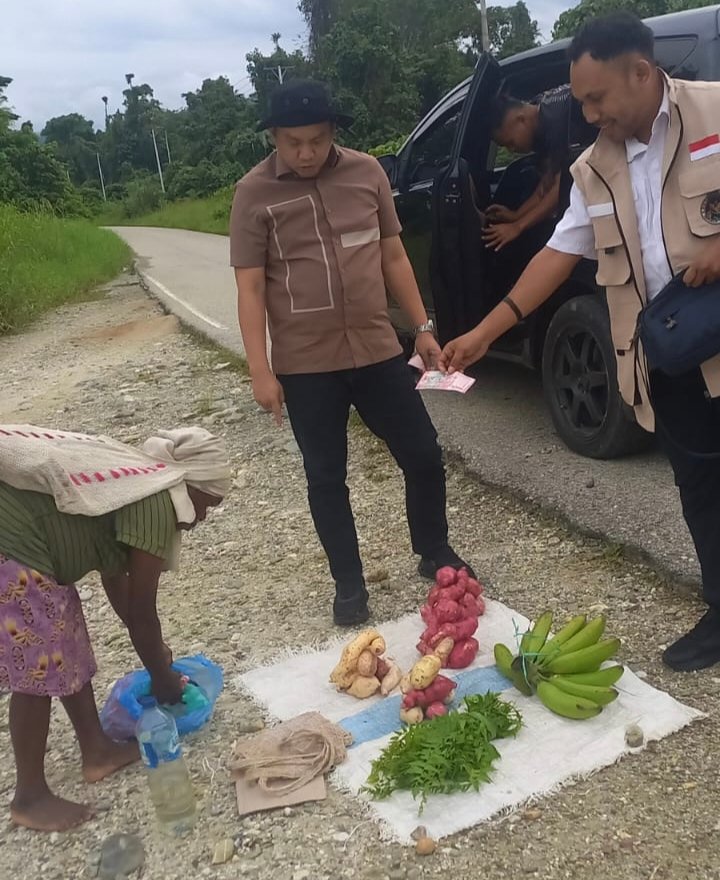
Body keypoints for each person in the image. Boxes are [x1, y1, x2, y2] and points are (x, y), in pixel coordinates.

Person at [440, 12, 720, 672]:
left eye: (597, 99)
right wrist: (482, 333)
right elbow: (557, 255)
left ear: (641, 73)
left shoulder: (714, 111)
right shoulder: (592, 167)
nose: (588, 114)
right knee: (701, 487)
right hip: (671, 352)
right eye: (581, 101)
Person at [230, 79, 473, 627]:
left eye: (317, 140)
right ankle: (349, 583)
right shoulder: (253, 194)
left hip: (376, 348)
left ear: (333, 131)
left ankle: (433, 549)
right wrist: (260, 370)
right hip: (305, 364)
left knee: (423, 454)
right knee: (325, 477)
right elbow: (250, 287)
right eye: (293, 142)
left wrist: (423, 327)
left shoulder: (367, 174)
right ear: (273, 138)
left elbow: (393, 256)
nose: (306, 152)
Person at [0, 425, 231, 831]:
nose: (205, 516)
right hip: (14, 543)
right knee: (39, 663)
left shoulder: (138, 486)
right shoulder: (157, 503)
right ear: (189, 486)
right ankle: (29, 796)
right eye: (208, 504)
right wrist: (162, 676)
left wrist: (157, 653)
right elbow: (142, 611)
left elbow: (115, 577)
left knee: (66, 639)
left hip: (36, 547)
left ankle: (97, 751)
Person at [483, 86, 594, 253]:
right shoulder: (541, 115)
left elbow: (561, 188)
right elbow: (548, 183)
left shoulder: (558, 120)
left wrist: (517, 226)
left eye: (510, 143)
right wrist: (516, 215)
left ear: (520, 119)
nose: (512, 150)